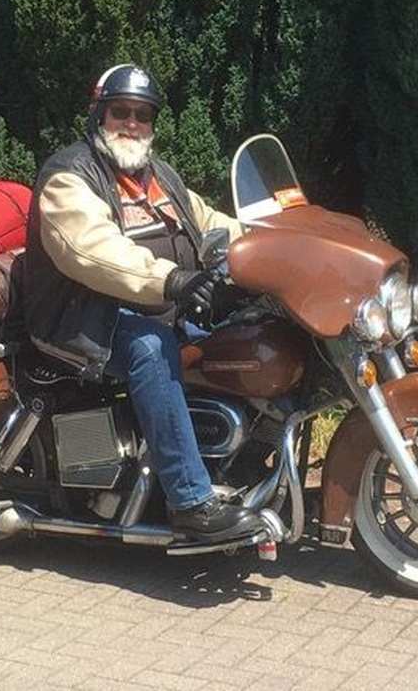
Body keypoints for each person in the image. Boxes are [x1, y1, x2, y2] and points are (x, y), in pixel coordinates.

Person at [23, 64, 259, 539]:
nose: (132, 123)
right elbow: (91, 251)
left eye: (143, 114)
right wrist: (172, 280)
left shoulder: (158, 177)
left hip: (154, 306)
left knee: (249, 331)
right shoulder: (69, 176)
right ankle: (190, 501)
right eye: (121, 111)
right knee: (150, 348)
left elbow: (210, 222)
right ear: (99, 115)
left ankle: (241, 463)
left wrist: (269, 245)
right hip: (80, 318)